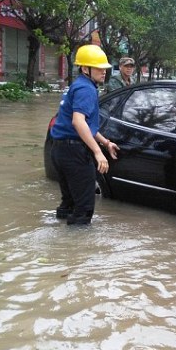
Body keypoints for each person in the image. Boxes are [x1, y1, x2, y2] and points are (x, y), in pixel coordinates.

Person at [50, 44, 120, 225]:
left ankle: (61, 238)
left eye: (104, 68)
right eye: (98, 67)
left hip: (59, 150)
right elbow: (78, 122)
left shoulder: (77, 85)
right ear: (84, 68)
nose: (103, 72)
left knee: (69, 202)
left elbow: (84, 125)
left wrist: (105, 142)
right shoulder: (87, 89)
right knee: (84, 208)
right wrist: (98, 152)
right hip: (74, 153)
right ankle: (74, 250)